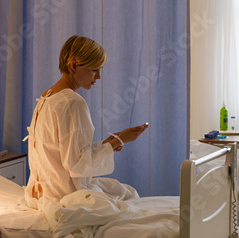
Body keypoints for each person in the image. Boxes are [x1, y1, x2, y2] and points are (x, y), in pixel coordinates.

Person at [24, 35, 149, 208]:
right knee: (128, 196)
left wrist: (108, 142)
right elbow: (76, 165)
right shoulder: (72, 102)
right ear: (74, 66)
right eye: (94, 70)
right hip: (64, 195)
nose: (98, 77)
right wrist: (118, 141)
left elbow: (63, 152)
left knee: (121, 191)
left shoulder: (47, 97)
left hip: (41, 192)